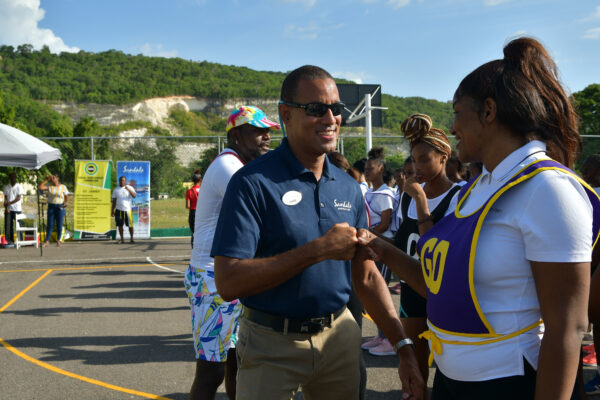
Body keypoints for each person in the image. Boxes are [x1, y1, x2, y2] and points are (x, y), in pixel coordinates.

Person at [359, 37, 600, 400]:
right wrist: (378, 247)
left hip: (511, 385)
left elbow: (567, 327)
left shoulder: (547, 188)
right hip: (453, 382)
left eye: (457, 112)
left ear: (489, 112)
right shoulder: (479, 186)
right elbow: (440, 285)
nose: (452, 127)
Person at [211, 65, 423, 400]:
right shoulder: (252, 182)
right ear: (286, 114)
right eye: (315, 109)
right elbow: (228, 282)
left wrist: (404, 348)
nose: (330, 117)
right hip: (270, 343)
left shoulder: (349, 187)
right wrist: (318, 250)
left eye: (335, 109)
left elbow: (366, 278)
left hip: (339, 337)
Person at [184, 105, 279, 400]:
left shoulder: (240, 165)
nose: (266, 137)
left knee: (238, 362)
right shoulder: (229, 167)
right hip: (212, 279)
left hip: (232, 275)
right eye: (258, 131)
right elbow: (264, 209)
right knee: (211, 371)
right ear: (236, 135)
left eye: (268, 132)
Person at [396, 113, 461, 395]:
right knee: (414, 367)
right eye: (414, 159)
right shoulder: (407, 195)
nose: (417, 167)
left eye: (425, 159)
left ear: (444, 157)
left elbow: (433, 245)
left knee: (451, 370)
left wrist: (422, 201)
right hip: (412, 290)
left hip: (443, 292)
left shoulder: (459, 196)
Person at [39, 174, 69, 247]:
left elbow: (66, 196)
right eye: (51, 178)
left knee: (59, 224)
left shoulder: (63, 187)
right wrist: (47, 180)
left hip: (60, 206)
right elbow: (40, 187)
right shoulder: (50, 187)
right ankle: (47, 241)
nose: (52, 179)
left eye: (54, 178)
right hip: (51, 206)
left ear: (57, 178)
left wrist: (66, 202)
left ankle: (58, 240)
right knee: (50, 224)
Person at [111, 176, 136, 244]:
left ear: (125, 181)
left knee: (130, 225)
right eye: (120, 180)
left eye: (123, 180)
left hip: (128, 210)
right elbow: (114, 201)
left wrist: (128, 190)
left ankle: (132, 238)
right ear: (119, 181)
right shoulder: (116, 190)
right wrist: (112, 211)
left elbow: (134, 196)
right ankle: (122, 239)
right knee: (120, 225)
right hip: (119, 210)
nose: (122, 182)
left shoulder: (130, 187)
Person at [3, 172, 24, 245]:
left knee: (19, 225)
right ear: (10, 178)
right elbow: (5, 198)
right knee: (9, 226)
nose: (13, 178)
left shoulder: (19, 186)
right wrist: (6, 207)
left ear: (15, 178)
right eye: (11, 177)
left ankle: (21, 240)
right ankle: (10, 240)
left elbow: (19, 198)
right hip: (9, 209)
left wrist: (10, 203)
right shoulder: (6, 187)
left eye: (14, 177)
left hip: (17, 209)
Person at [185, 170, 202, 248]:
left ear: (192, 181)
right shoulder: (204, 190)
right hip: (202, 212)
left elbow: (187, 206)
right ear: (200, 180)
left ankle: (194, 248)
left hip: (193, 212)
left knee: (194, 232)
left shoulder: (189, 191)